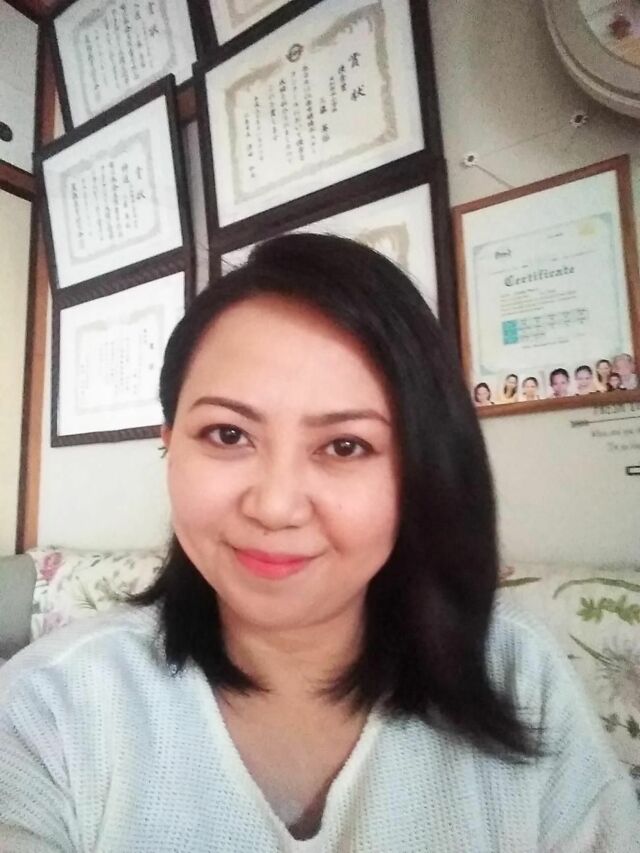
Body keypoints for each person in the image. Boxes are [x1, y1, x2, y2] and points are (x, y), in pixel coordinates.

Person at [1, 235, 637, 852]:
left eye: (345, 446)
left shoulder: (516, 669)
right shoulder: (49, 706)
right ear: (169, 444)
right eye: (227, 434)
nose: (275, 506)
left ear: (420, 469)